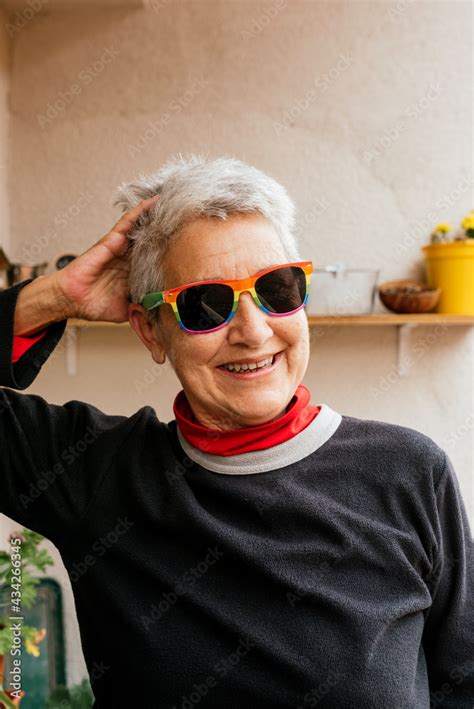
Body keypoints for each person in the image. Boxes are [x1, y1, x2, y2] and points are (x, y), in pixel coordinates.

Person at [1, 154, 473, 708]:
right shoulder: (92, 473)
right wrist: (53, 298)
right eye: (206, 304)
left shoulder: (409, 472)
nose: (253, 332)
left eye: (276, 289)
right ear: (151, 333)